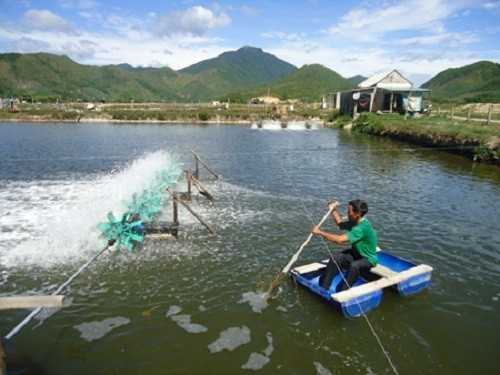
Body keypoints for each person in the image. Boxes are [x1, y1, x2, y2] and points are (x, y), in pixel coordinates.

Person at [311, 199, 378, 293]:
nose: (347, 214)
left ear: (357, 214)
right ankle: (323, 288)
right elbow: (340, 225)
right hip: (356, 254)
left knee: (354, 266)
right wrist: (333, 210)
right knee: (335, 258)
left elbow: (339, 240)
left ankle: (342, 291)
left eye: (349, 212)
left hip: (368, 258)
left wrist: (320, 232)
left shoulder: (362, 227)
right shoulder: (355, 221)